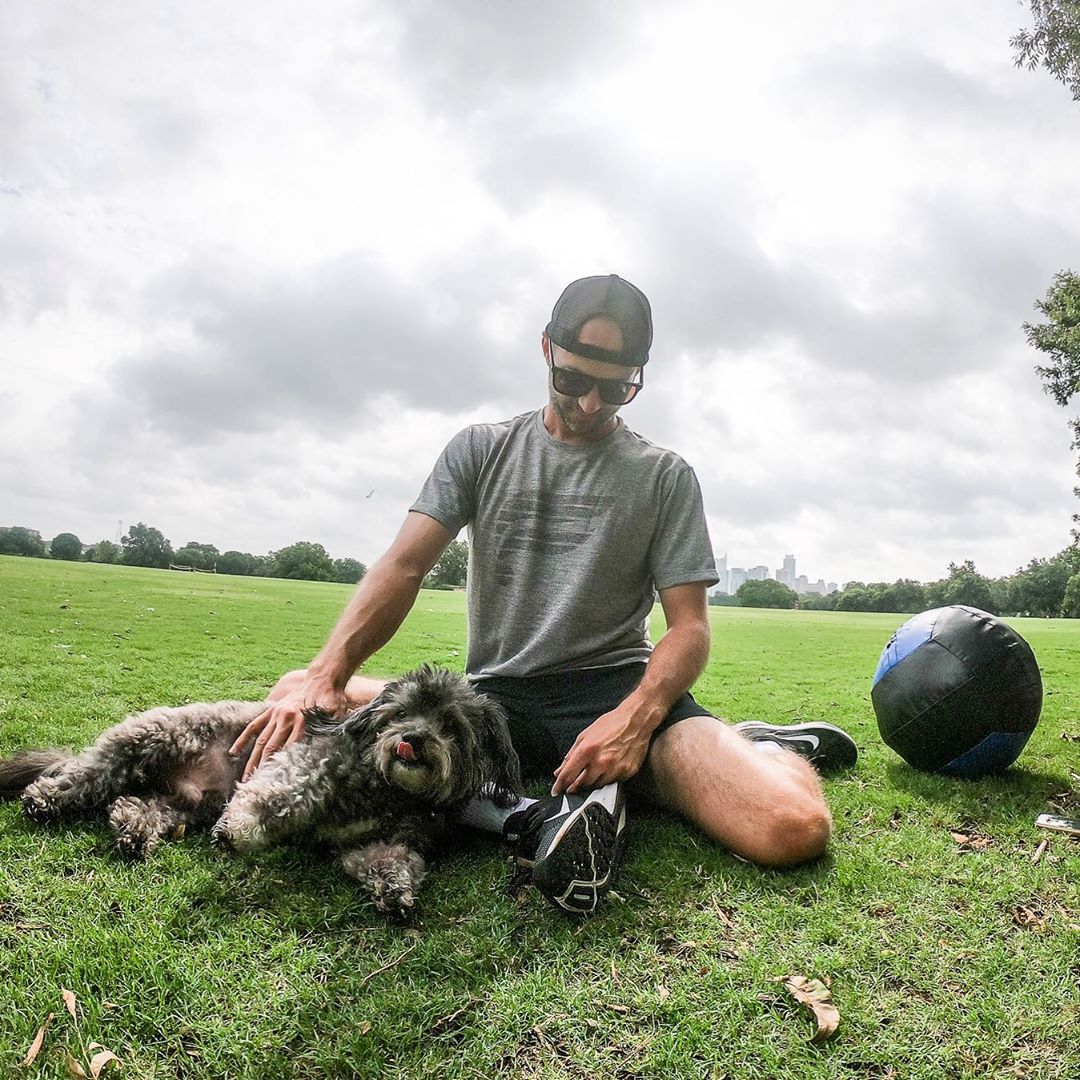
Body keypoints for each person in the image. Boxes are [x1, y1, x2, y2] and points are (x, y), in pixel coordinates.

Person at [232, 274, 857, 915]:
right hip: (493, 701)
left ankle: (763, 751)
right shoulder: (481, 449)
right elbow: (404, 565)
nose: (592, 405)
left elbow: (688, 628)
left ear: (639, 377)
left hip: (617, 690)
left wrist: (635, 720)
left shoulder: (664, 477)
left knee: (791, 827)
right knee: (295, 691)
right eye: (574, 381)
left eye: (617, 389)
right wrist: (329, 673)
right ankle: (606, 793)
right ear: (546, 351)